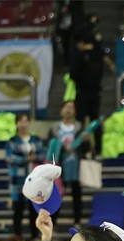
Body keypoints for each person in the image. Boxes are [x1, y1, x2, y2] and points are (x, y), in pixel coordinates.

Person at [70, 13, 115, 156]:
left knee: (80, 122)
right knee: (95, 121)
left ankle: (82, 149)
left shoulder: (80, 56)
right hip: (96, 92)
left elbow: (73, 74)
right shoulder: (97, 53)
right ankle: (98, 149)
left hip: (82, 92)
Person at [5, 113, 46, 239]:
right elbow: (10, 158)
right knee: (18, 209)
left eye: (25, 121)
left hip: (35, 180)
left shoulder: (36, 140)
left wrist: (35, 157)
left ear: (29, 123)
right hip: (18, 180)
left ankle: (35, 236)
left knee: (34, 209)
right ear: (16, 124)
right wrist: (26, 159)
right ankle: (17, 236)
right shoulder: (12, 141)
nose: (23, 124)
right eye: (20, 121)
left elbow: (43, 155)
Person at [47, 100, 87, 227]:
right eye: (66, 107)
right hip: (59, 166)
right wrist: (63, 147)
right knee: (57, 194)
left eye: (71, 107)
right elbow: (49, 146)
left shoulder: (80, 127)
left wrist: (85, 141)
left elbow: (87, 148)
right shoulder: (55, 128)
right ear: (61, 110)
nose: (68, 110)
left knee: (77, 195)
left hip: (76, 166)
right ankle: (52, 223)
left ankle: (77, 221)